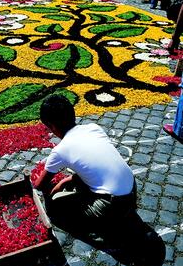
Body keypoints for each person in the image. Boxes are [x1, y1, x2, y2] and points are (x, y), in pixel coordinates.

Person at [34, 94, 136, 236]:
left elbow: (39, 185)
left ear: (52, 126)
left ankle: (106, 227)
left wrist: (54, 188)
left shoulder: (61, 149)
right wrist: (65, 181)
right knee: (79, 180)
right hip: (132, 189)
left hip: (112, 206)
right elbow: (97, 162)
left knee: (56, 206)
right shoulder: (94, 128)